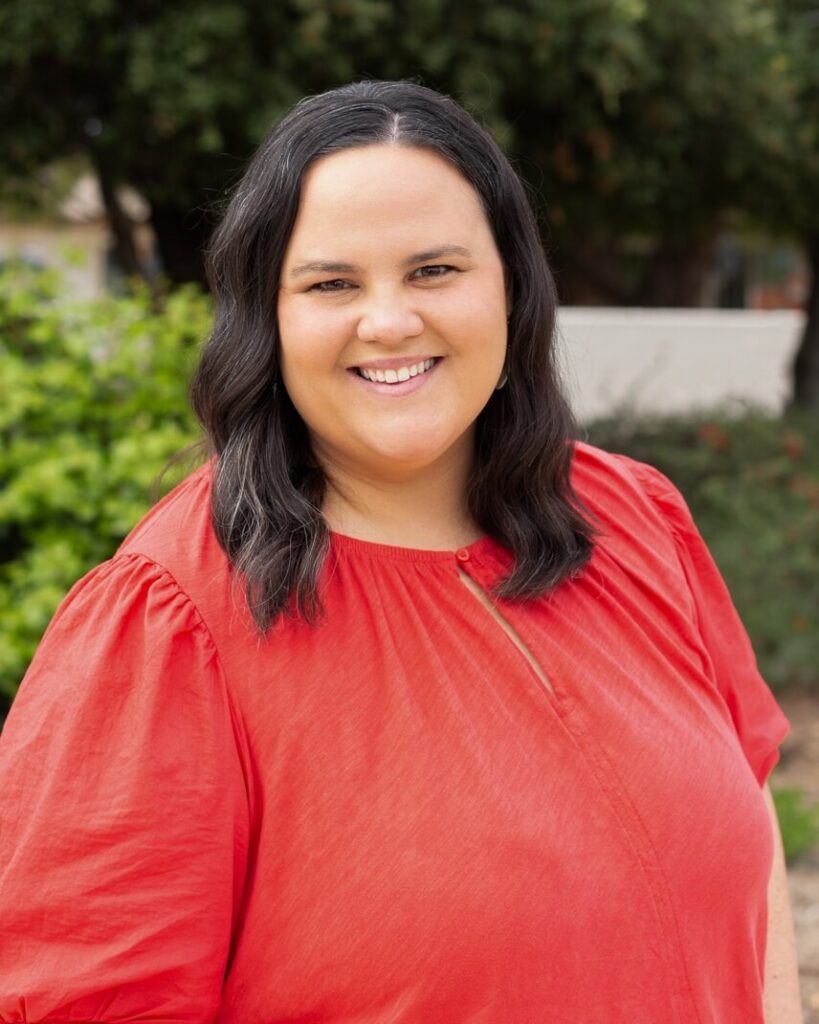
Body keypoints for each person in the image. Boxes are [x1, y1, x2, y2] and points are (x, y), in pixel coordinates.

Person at [0, 80, 803, 1024]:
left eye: (433, 271)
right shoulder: (169, 624)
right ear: (267, 314)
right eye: (332, 283)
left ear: (510, 284)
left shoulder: (635, 520)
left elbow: (752, 881)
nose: (388, 322)